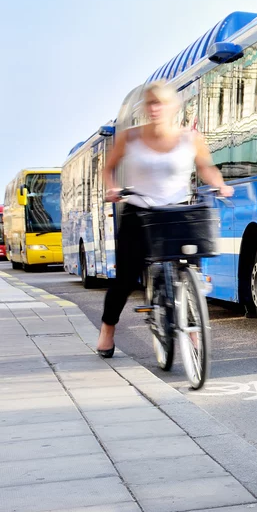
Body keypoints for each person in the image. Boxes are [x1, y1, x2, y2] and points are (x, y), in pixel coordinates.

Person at [96, 81, 234, 358]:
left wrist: (220, 185)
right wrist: (112, 188)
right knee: (125, 278)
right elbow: (108, 168)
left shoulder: (190, 138)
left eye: (161, 103)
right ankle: (107, 330)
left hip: (178, 213)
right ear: (145, 108)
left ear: (174, 106)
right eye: (150, 103)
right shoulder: (130, 137)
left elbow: (206, 167)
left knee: (190, 270)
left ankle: (193, 331)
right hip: (139, 212)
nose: (155, 108)